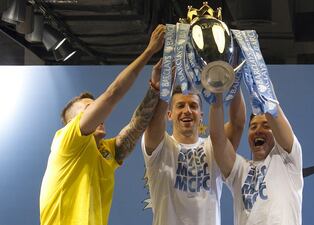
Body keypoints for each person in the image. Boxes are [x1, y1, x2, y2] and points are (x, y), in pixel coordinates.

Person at [39, 24, 165, 225]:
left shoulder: (106, 151)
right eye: (89, 108)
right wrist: (149, 51)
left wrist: (155, 88)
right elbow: (113, 93)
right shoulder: (65, 141)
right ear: (73, 123)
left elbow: (137, 125)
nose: (99, 112)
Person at [141, 86, 246, 225]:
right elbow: (153, 122)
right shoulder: (162, 147)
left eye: (193, 105)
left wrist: (234, 82)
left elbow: (237, 124)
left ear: (201, 115)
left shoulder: (214, 147)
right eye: (180, 106)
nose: (187, 111)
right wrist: (166, 81)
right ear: (169, 115)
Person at [209, 93, 303, 225]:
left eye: (266, 126)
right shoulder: (240, 169)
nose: (258, 131)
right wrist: (216, 100)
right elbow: (217, 139)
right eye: (253, 127)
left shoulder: (288, 158)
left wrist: (262, 89)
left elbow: (275, 112)